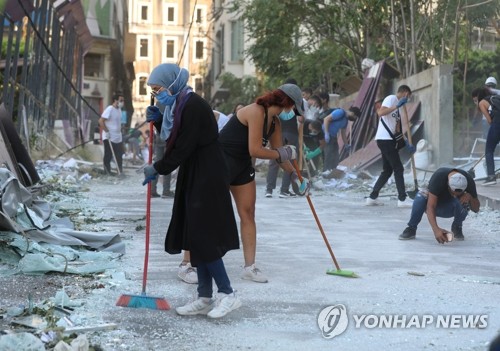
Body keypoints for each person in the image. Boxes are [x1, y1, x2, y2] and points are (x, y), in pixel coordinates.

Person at [143, 63, 241, 318]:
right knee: (194, 234)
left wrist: (158, 168)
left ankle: (228, 294)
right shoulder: (179, 105)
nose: (158, 95)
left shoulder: (194, 105)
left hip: (208, 174)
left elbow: (183, 146)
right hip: (194, 172)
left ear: (173, 84)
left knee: (204, 235)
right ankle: (205, 296)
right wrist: (158, 120)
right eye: (154, 92)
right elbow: (175, 137)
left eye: (159, 89)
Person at [218, 83, 309, 283]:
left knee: (248, 212)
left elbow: (279, 156)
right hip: (220, 163)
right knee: (208, 212)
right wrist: (282, 152)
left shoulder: (275, 122)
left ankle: (249, 267)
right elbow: (256, 150)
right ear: (287, 103)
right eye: (293, 109)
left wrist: (295, 175)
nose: (292, 114)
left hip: (241, 166)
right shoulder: (255, 111)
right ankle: (188, 263)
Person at [365, 85, 415, 208]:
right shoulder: (391, 98)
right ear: (404, 92)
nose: (407, 99)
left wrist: (406, 141)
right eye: (408, 96)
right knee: (399, 168)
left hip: (388, 140)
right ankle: (402, 199)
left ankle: (372, 198)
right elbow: (380, 112)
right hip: (384, 139)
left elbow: (397, 129)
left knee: (387, 170)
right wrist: (397, 105)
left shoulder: (397, 109)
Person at [399, 168, 480, 242]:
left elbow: (476, 209)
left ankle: (457, 226)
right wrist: (436, 229)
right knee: (420, 196)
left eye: (459, 194)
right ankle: (411, 228)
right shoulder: (439, 177)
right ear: (448, 184)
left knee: (464, 201)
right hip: (435, 205)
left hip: (450, 207)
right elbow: (431, 206)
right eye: (453, 193)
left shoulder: (469, 180)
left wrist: (470, 197)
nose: (455, 195)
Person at [265, 105, 301, 198]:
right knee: (288, 160)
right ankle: (284, 190)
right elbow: (301, 119)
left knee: (274, 161)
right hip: (291, 135)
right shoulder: (295, 106)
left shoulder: (276, 107)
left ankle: (269, 190)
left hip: (277, 135)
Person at [472, 87, 500, 186]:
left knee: (489, 150)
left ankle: (491, 176)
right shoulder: (495, 97)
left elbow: (489, 120)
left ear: (478, 97)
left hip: (497, 123)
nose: (475, 103)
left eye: (475, 100)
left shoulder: (482, 103)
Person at [321, 106, 360, 175]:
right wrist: (326, 133)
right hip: (327, 135)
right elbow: (326, 119)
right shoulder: (340, 112)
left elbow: (343, 133)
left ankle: (332, 173)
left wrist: (346, 144)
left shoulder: (345, 121)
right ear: (353, 113)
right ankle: (325, 173)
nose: (354, 119)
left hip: (333, 136)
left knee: (336, 156)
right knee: (329, 155)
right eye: (355, 117)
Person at [99, 94, 125, 177]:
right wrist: (106, 131)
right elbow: (101, 121)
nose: (122, 102)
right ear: (115, 100)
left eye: (123, 100)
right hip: (109, 136)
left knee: (119, 155)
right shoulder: (110, 109)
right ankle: (107, 172)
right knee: (108, 155)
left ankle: (119, 171)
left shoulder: (119, 110)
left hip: (118, 136)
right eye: (120, 100)